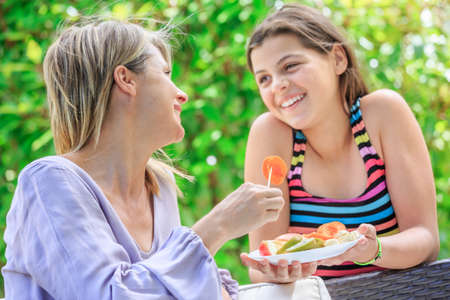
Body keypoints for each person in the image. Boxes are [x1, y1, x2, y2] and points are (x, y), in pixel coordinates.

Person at [1, 19, 310, 299]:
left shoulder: (158, 187)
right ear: (125, 79)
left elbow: (173, 291)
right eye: (165, 73)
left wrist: (271, 281)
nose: (182, 95)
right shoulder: (48, 182)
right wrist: (218, 226)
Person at [240, 4, 439, 283]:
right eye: (264, 78)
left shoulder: (383, 114)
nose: (278, 85)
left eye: (291, 66)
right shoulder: (271, 136)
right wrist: (275, 271)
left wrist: (371, 249)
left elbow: (426, 238)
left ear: (337, 59)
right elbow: (261, 260)